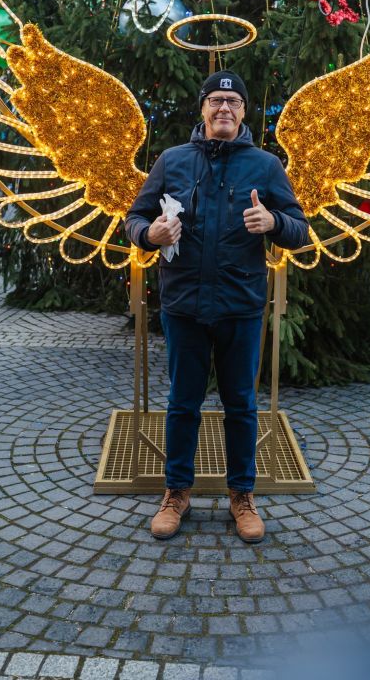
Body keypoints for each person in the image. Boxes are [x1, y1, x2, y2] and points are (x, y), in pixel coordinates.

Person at [125, 70, 309, 543]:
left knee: (241, 405)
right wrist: (150, 234)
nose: (224, 107)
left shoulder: (265, 166)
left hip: (240, 306)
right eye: (216, 100)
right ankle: (176, 493)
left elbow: (300, 229)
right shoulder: (172, 161)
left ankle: (242, 496)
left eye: (233, 101)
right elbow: (135, 218)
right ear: (203, 108)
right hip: (184, 305)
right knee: (182, 403)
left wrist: (273, 222)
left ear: (244, 111)